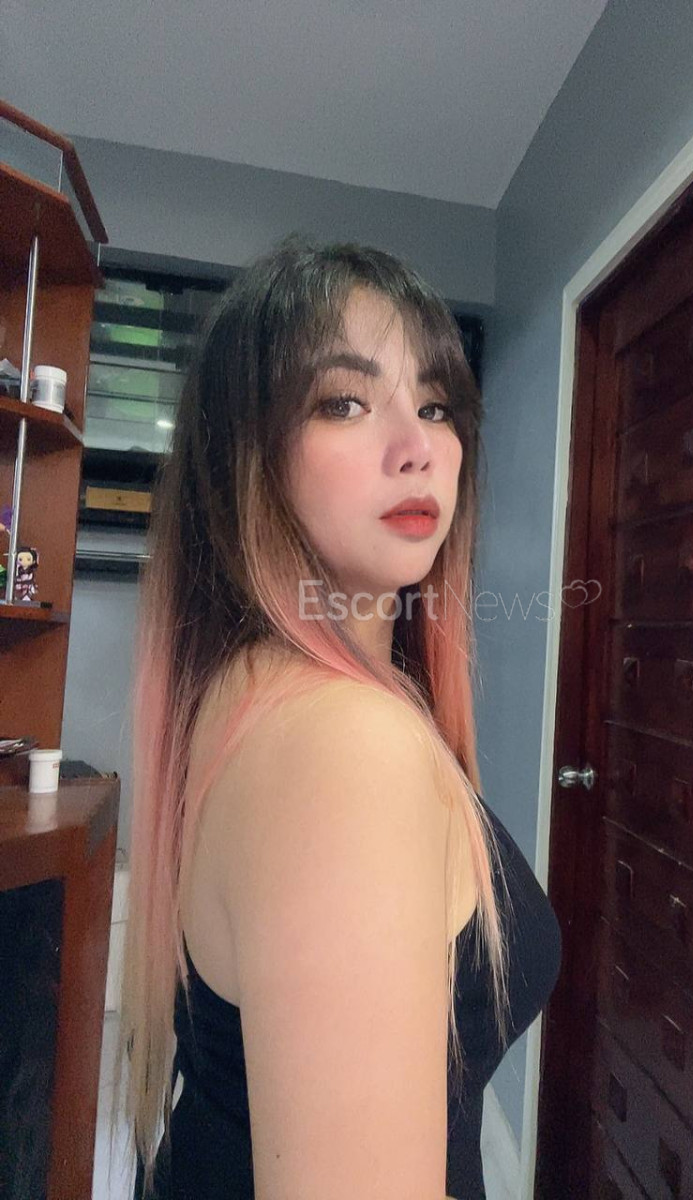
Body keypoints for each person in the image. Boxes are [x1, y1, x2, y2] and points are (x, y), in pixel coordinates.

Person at [114, 238, 562, 1200]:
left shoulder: (252, 688)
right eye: (344, 403)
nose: (418, 447)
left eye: (435, 405)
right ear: (246, 457)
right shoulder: (343, 743)